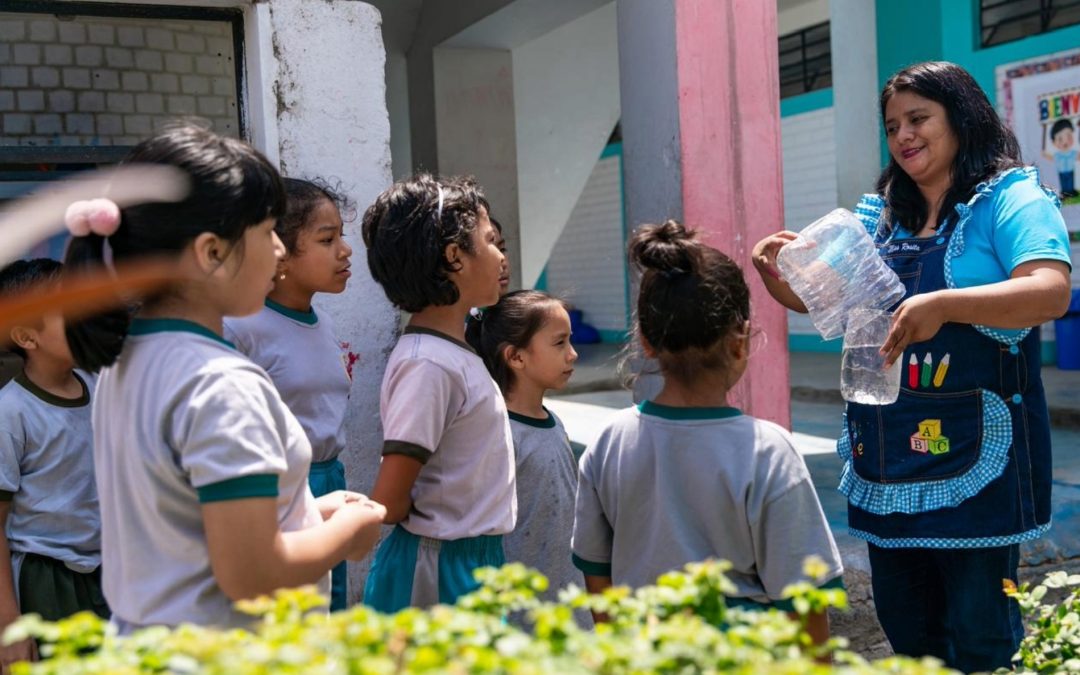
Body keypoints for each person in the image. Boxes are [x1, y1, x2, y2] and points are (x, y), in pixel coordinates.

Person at [752, 61, 1073, 672]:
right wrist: (780, 276)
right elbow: (830, 303)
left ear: (962, 117)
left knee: (982, 636)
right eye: (893, 124)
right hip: (886, 453)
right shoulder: (879, 218)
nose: (904, 135)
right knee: (908, 631)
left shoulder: (1009, 200)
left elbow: (1049, 290)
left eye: (919, 118)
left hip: (979, 458)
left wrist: (943, 305)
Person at [63, 125, 385, 633]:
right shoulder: (222, 384)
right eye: (265, 233)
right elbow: (252, 574)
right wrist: (349, 531)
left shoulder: (126, 362)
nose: (278, 252)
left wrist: (306, 514)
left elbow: (187, 529)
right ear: (212, 252)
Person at [572, 220, 843, 642]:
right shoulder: (767, 451)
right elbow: (805, 602)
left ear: (645, 340)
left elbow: (596, 574)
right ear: (740, 343)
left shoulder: (609, 443)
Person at [361, 174, 515, 612]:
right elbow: (389, 501)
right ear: (454, 257)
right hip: (434, 568)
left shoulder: (451, 353)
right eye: (490, 241)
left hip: (468, 560)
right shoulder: (427, 363)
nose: (501, 256)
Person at [224, 177, 355, 611]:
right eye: (327, 239)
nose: (345, 250)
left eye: (342, 236)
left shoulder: (323, 322)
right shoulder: (242, 327)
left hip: (330, 481)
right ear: (278, 251)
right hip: (278, 491)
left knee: (329, 624)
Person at [0, 259, 108, 669]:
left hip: (103, 569)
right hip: (45, 580)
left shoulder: (100, 388)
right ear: (27, 336)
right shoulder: (12, 413)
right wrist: (9, 623)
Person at [465, 290, 588, 624]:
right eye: (559, 343)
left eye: (570, 342)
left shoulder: (554, 422)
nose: (572, 355)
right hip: (522, 613)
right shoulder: (500, 434)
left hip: (568, 598)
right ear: (516, 358)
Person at [1043, 118, 1078, 198]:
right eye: (1060, 139)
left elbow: (1078, 156)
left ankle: (1071, 191)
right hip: (1061, 172)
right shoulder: (1057, 155)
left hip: (1070, 171)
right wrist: (1045, 154)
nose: (1065, 142)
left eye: (1069, 137)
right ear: (1054, 142)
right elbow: (1051, 158)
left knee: (1070, 182)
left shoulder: (1072, 153)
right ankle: (1065, 193)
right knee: (1063, 183)